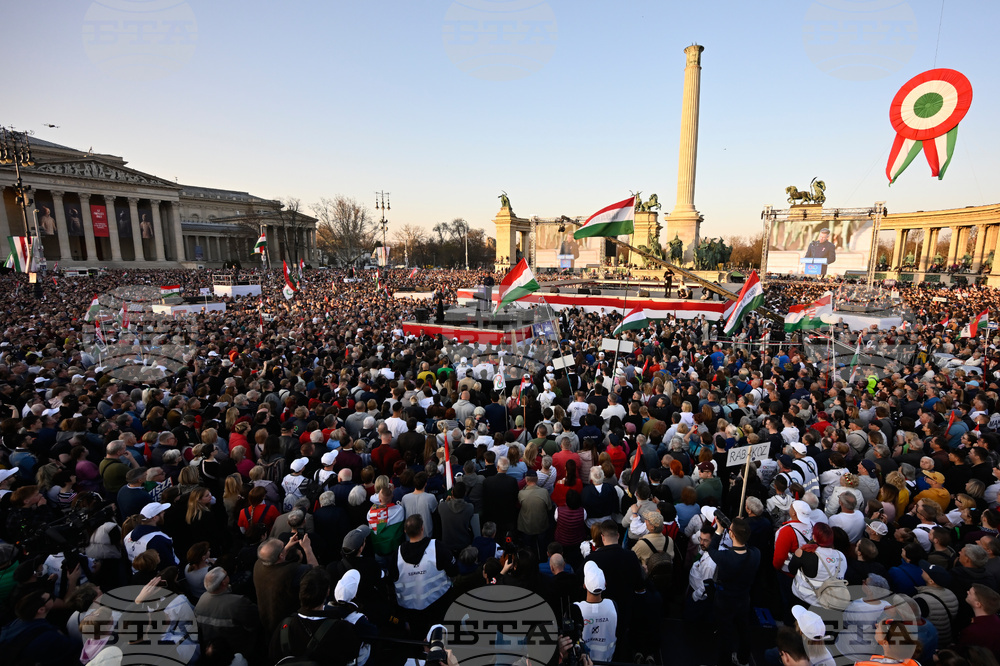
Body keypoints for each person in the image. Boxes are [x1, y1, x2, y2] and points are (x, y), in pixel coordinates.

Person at [389, 514, 456, 636]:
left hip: (410, 611)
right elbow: (453, 570)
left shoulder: (396, 555)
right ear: (422, 528)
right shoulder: (437, 547)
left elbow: (391, 581)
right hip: (437, 606)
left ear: (405, 531)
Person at [707, 516, 761, 666]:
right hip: (744, 598)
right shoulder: (756, 554)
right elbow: (745, 544)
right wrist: (738, 528)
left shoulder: (725, 557)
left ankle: (723, 662)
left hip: (725, 599)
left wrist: (719, 530)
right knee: (744, 629)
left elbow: (711, 549)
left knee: (725, 633)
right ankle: (743, 659)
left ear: (731, 535)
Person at [253, 535, 318, 636]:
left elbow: (275, 557)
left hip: (266, 620)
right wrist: (307, 548)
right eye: (283, 546)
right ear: (281, 556)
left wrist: (285, 548)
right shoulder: (292, 571)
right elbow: (317, 573)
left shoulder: (259, 564)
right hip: (286, 625)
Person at [574, 561, 617, 663]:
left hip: (584, 661)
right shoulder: (612, 606)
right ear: (605, 584)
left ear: (584, 585)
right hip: (607, 660)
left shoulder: (576, 608)